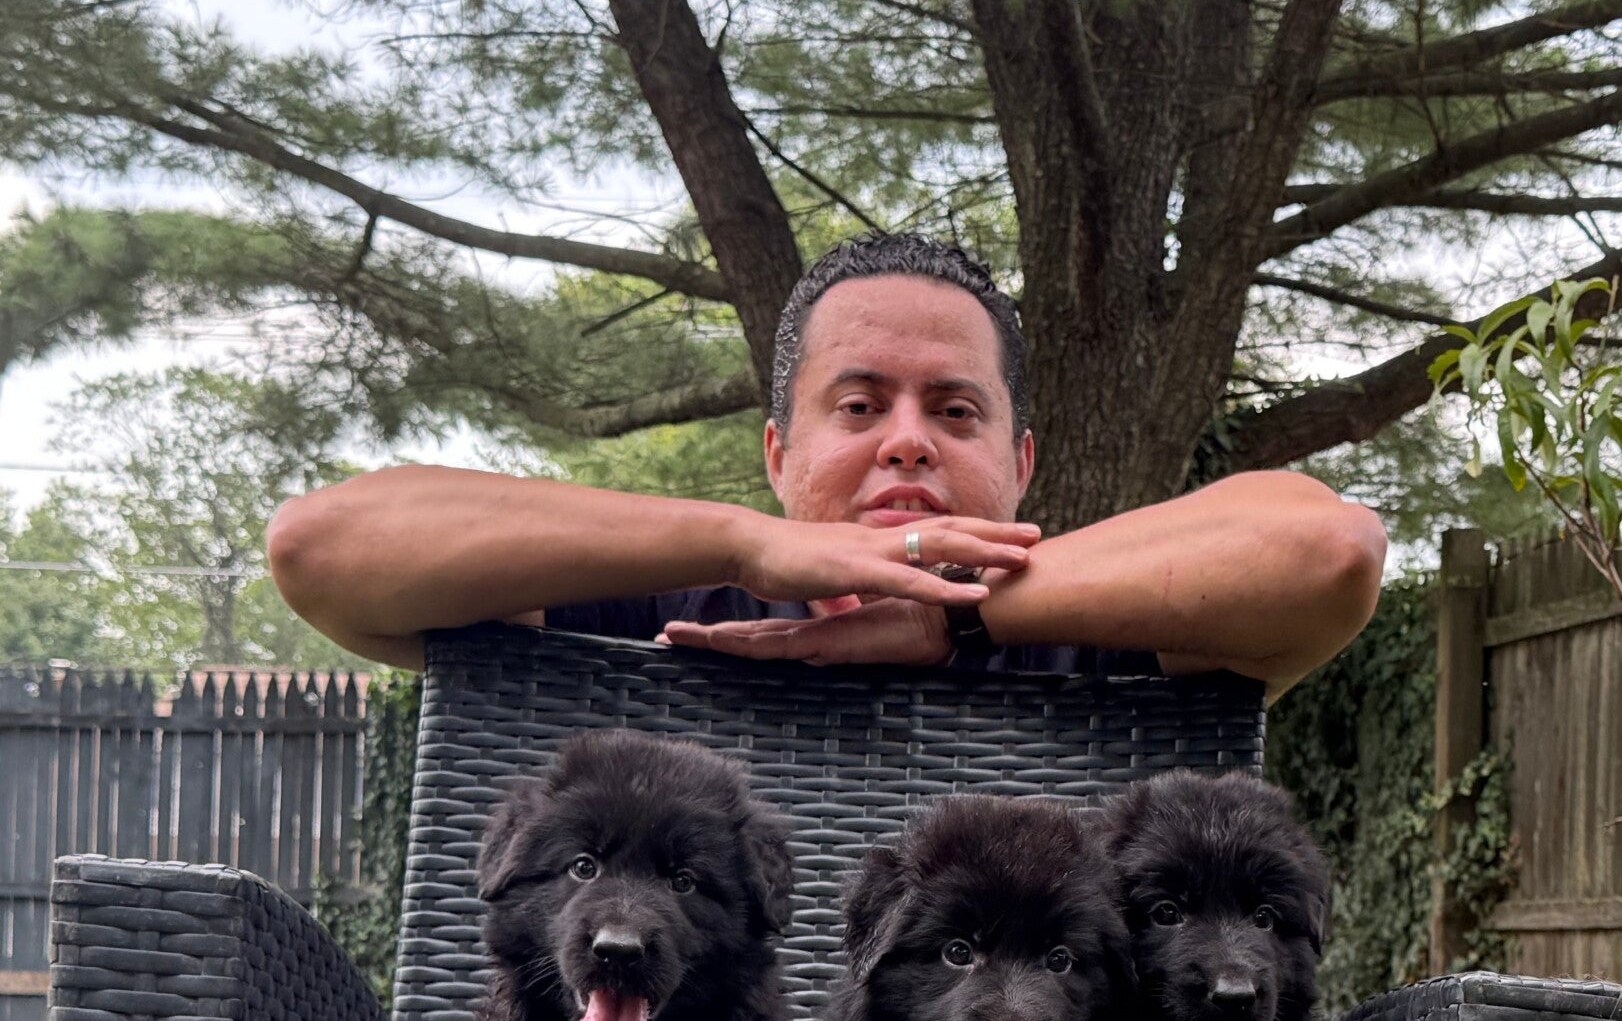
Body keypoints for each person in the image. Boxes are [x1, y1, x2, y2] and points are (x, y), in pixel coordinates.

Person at [268, 233, 1386, 686]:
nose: (907, 438)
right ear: (778, 452)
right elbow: (324, 545)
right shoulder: (645, 620)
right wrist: (742, 545)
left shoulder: (1110, 633)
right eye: (859, 405)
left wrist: (959, 623)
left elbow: (1327, 548)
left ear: (1020, 462)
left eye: (955, 410)